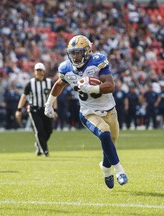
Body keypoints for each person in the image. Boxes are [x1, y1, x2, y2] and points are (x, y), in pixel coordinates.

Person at [44, 35, 128, 188]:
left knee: (110, 142)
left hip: (109, 110)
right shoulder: (66, 68)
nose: (75, 56)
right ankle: (119, 170)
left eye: (78, 52)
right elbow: (59, 84)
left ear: (88, 51)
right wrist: (49, 104)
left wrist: (93, 88)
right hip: (89, 112)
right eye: (73, 53)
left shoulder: (97, 61)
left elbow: (110, 86)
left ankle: (105, 167)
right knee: (104, 133)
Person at [15, 62, 56, 157]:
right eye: (36, 70)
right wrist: (19, 110)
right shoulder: (31, 83)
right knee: (39, 130)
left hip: (46, 109)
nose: (38, 72)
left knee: (49, 130)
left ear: (44, 71)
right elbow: (24, 96)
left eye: (40, 70)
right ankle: (45, 151)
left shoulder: (49, 82)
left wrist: (55, 109)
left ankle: (39, 145)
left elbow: (54, 96)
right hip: (34, 110)